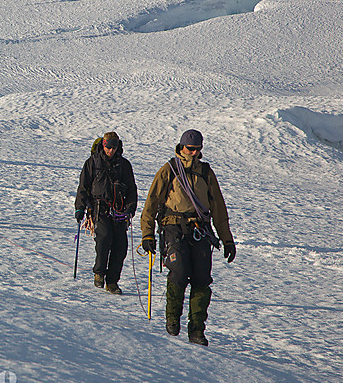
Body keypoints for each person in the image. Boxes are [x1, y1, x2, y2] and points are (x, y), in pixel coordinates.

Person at [140, 129, 236, 346]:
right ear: (181, 147)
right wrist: (147, 234)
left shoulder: (206, 173)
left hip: (200, 228)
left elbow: (218, 208)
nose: (193, 153)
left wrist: (227, 238)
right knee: (180, 273)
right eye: (189, 149)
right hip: (173, 227)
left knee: (202, 279)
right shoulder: (169, 170)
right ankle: (173, 318)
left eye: (197, 149)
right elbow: (151, 204)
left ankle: (197, 329)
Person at [74, 132, 138, 295]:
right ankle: (99, 273)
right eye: (108, 147)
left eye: (114, 147)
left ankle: (112, 281)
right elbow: (83, 187)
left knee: (120, 246)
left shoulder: (124, 165)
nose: (111, 150)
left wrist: (131, 207)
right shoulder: (92, 163)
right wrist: (80, 207)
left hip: (119, 211)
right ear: (103, 145)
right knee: (104, 239)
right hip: (99, 208)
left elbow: (131, 189)